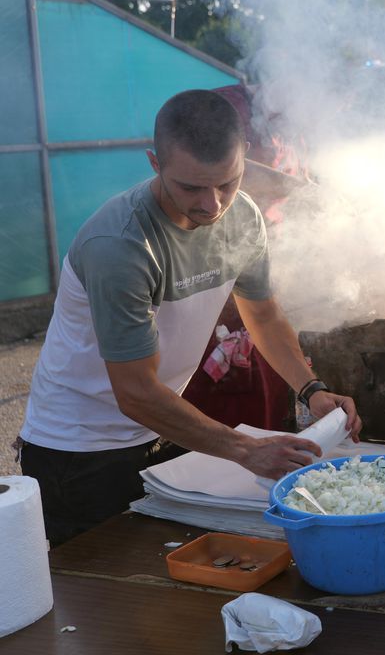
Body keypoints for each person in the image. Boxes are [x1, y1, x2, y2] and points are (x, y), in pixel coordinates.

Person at [17, 90, 362, 546]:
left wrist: (311, 389)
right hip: (79, 452)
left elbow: (262, 314)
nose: (212, 205)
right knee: (101, 604)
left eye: (227, 182)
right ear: (154, 164)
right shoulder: (120, 246)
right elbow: (136, 393)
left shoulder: (241, 217)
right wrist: (245, 450)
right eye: (191, 187)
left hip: (161, 429)